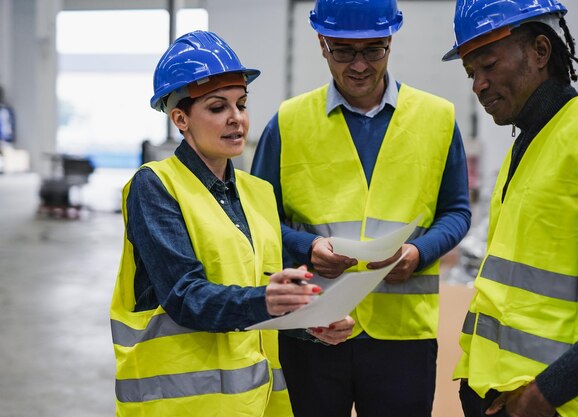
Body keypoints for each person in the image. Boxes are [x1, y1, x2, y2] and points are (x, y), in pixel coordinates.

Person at [109, 30, 353, 417]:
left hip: (257, 403)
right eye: (217, 107)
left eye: (241, 104)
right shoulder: (156, 186)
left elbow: (262, 294)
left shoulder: (258, 193)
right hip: (182, 406)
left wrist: (311, 322)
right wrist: (267, 301)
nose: (236, 118)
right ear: (180, 118)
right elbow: (184, 296)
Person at [251, 0, 472, 415]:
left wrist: (419, 252)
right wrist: (306, 247)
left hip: (403, 335)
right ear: (322, 43)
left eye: (373, 50)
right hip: (312, 326)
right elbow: (259, 220)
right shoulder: (287, 122)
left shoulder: (437, 119)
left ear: (390, 42)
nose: (359, 65)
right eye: (343, 51)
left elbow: (457, 211)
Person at [441, 1, 578, 416]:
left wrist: (543, 395)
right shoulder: (529, 140)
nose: (478, 85)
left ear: (541, 52)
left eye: (488, 66)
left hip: (564, 405)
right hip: (501, 397)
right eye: (471, 74)